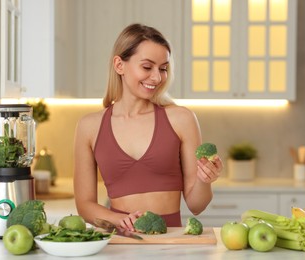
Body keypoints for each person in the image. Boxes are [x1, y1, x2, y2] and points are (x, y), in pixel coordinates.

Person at [73, 23, 223, 231]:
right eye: (147, 67)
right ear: (119, 65)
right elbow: (84, 205)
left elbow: (197, 205)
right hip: (121, 244)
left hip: (171, 246)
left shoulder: (181, 119)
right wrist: (118, 220)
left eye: (163, 69)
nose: (157, 77)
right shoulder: (89, 126)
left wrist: (205, 179)